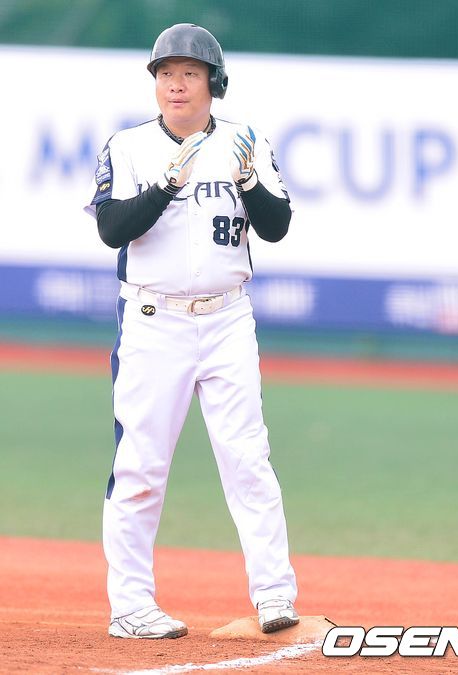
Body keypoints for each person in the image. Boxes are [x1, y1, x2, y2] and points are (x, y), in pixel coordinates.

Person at [84, 22, 298, 640]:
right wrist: (165, 186)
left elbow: (277, 226)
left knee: (248, 459)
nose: (176, 85)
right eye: (165, 74)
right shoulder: (128, 147)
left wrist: (248, 181)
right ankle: (131, 606)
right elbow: (111, 229)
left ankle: (274, 594)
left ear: (213, 83)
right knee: (140, 467)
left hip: (228, 318)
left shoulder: (244, 141)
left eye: (189, 73)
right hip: (154, 321)